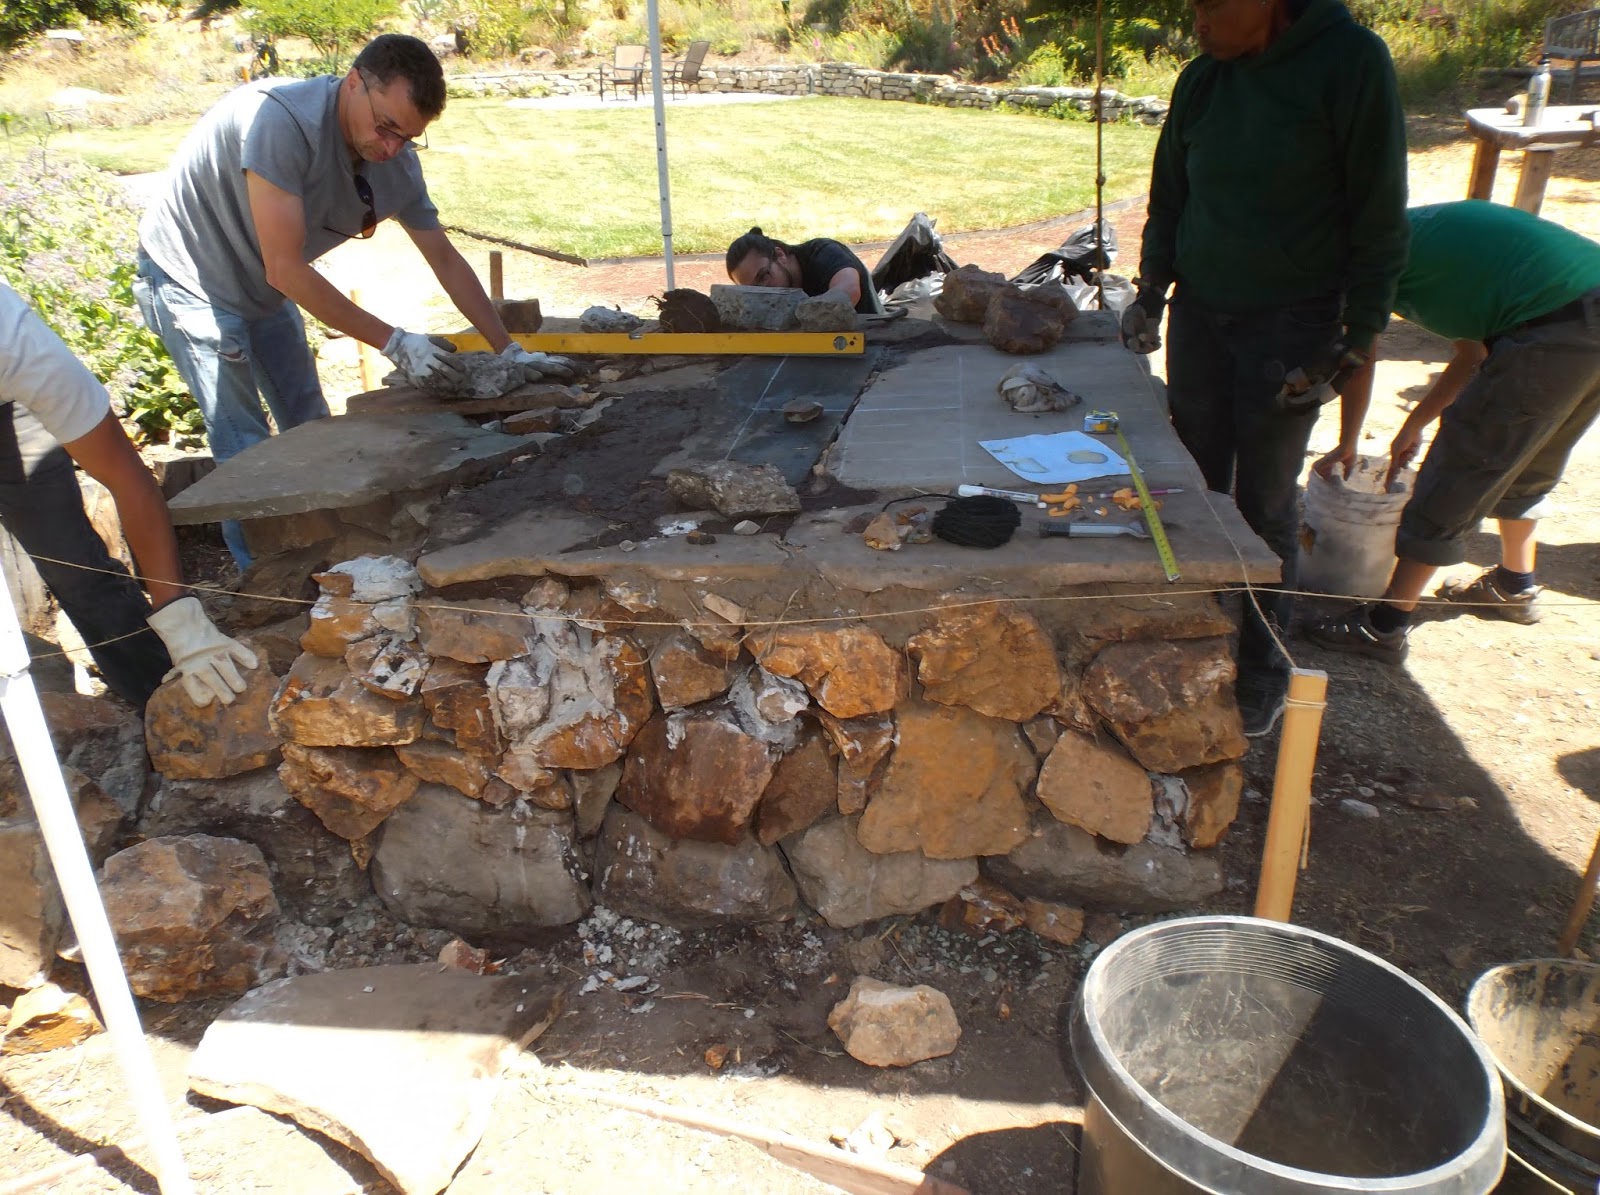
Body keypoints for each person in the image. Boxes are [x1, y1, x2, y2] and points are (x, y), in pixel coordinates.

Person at [135, 33, 561, 568]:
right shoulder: (280, 124)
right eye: (385, 128)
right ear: (354, 82)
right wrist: (394, 341)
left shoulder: (395, 160)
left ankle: (329, 563)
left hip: (265, 283)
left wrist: (508, 350)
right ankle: (265, 591)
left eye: (409, 137)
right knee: (244, 447)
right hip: (193, 277)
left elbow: (445, 259)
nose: (391, 148)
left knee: (311, 424)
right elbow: (286, 267)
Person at [1118, 0, 1409, 737]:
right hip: (1202, 313)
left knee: (1267, 502)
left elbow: (1380, 214)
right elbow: (1170, 199)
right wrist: (1152, 290)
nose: (1195, 19)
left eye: (1211, 5)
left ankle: (1262, 663)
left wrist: (1355, 336)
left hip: (1293, 324)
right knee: (1195, 486)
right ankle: (1198, 641)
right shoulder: (1202, 81)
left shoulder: (1350, 63)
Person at [1306, 200, 1600, 662]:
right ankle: (1513, 584)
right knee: (1527, 454)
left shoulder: (1369, 258)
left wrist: (1347, 442)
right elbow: (1473, 356)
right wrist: (1413, 424)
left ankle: (1384, 625)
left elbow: (1358, 359)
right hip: (1583, 308)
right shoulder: (1416, 241)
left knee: (1465, 460)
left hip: (1556, 321)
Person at [1, 281, 258, 709]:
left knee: (70, 563)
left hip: (10, 406)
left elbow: (127, 478)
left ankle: (160, 700)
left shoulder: (21, 351)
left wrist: (179, 617)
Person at [725, 228, 881, 315]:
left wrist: (806, 314)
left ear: (780, 255)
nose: (764, 291)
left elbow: (849, 291)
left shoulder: (823, 252)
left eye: (764, 276)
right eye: (753, 290)